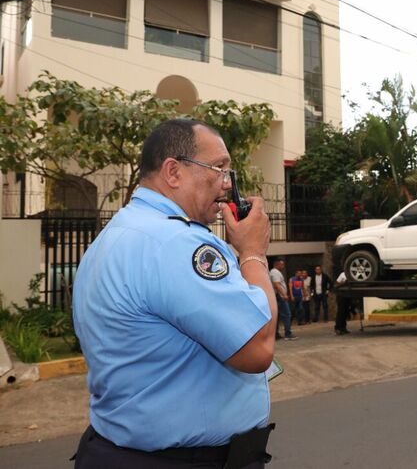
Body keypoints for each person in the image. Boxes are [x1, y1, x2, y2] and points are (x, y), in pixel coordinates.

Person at [72, 118, 277, 468]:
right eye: (218, 169)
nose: (227, 184)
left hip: (121, 451)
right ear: (173, 172)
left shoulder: (119, 233)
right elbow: (257, 348)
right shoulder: (174, 244)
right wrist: (253, 252)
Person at [270, 258, 297, 340]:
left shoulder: (276, 272)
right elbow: (277, 284)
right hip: (279, 296)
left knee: (277, 316)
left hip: (278, 296)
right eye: (282, 264)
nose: (283, 266)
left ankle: (276, 334)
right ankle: (287, 333)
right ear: (277, 264)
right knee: (287, 314)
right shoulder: (275, 272)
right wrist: (284, 295)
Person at [334, 270, 351, 335]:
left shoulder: (353, 275)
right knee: (340, 312)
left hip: (348, 295)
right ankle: (337, 328)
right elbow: (336, 284)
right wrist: (344, 283)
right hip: (341, 295)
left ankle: (343, 327)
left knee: (345, 312)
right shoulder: (342, 274)